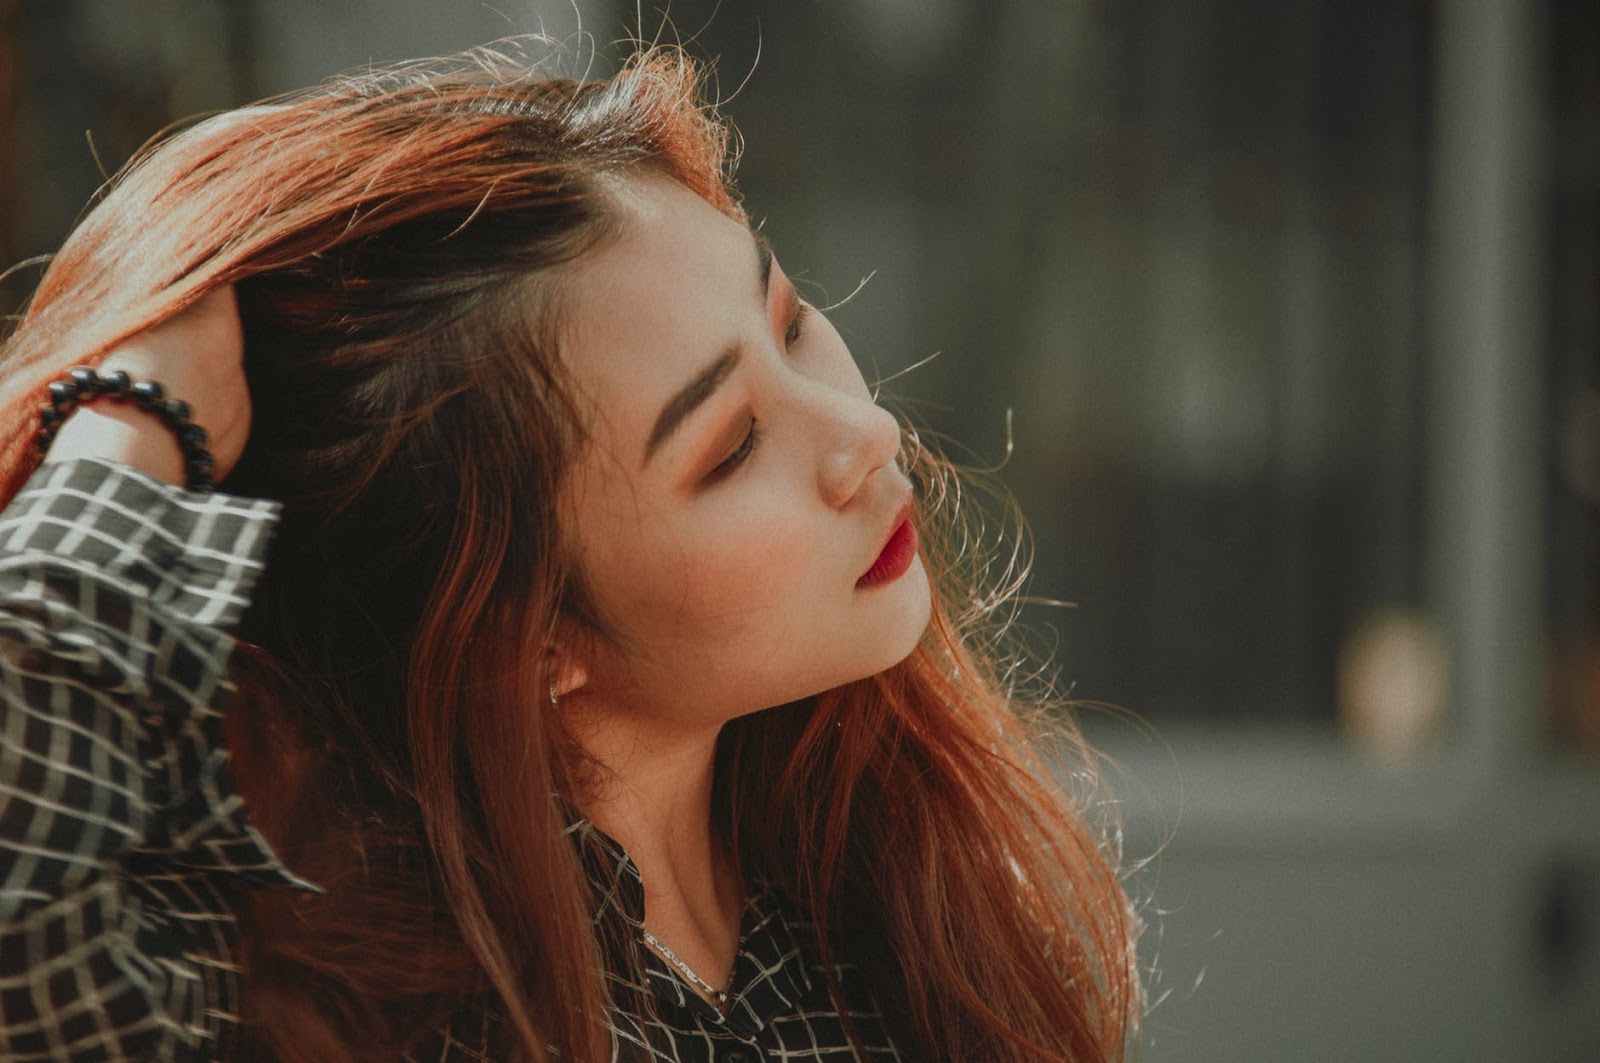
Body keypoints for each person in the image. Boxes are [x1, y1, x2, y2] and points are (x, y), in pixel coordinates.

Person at [0, 40, 1141, 1063]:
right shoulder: (331, 1015)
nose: (865, 435)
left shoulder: (882, 892)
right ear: (523, 630)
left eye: (790, 323)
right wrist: (128, 419)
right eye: (731, 445)